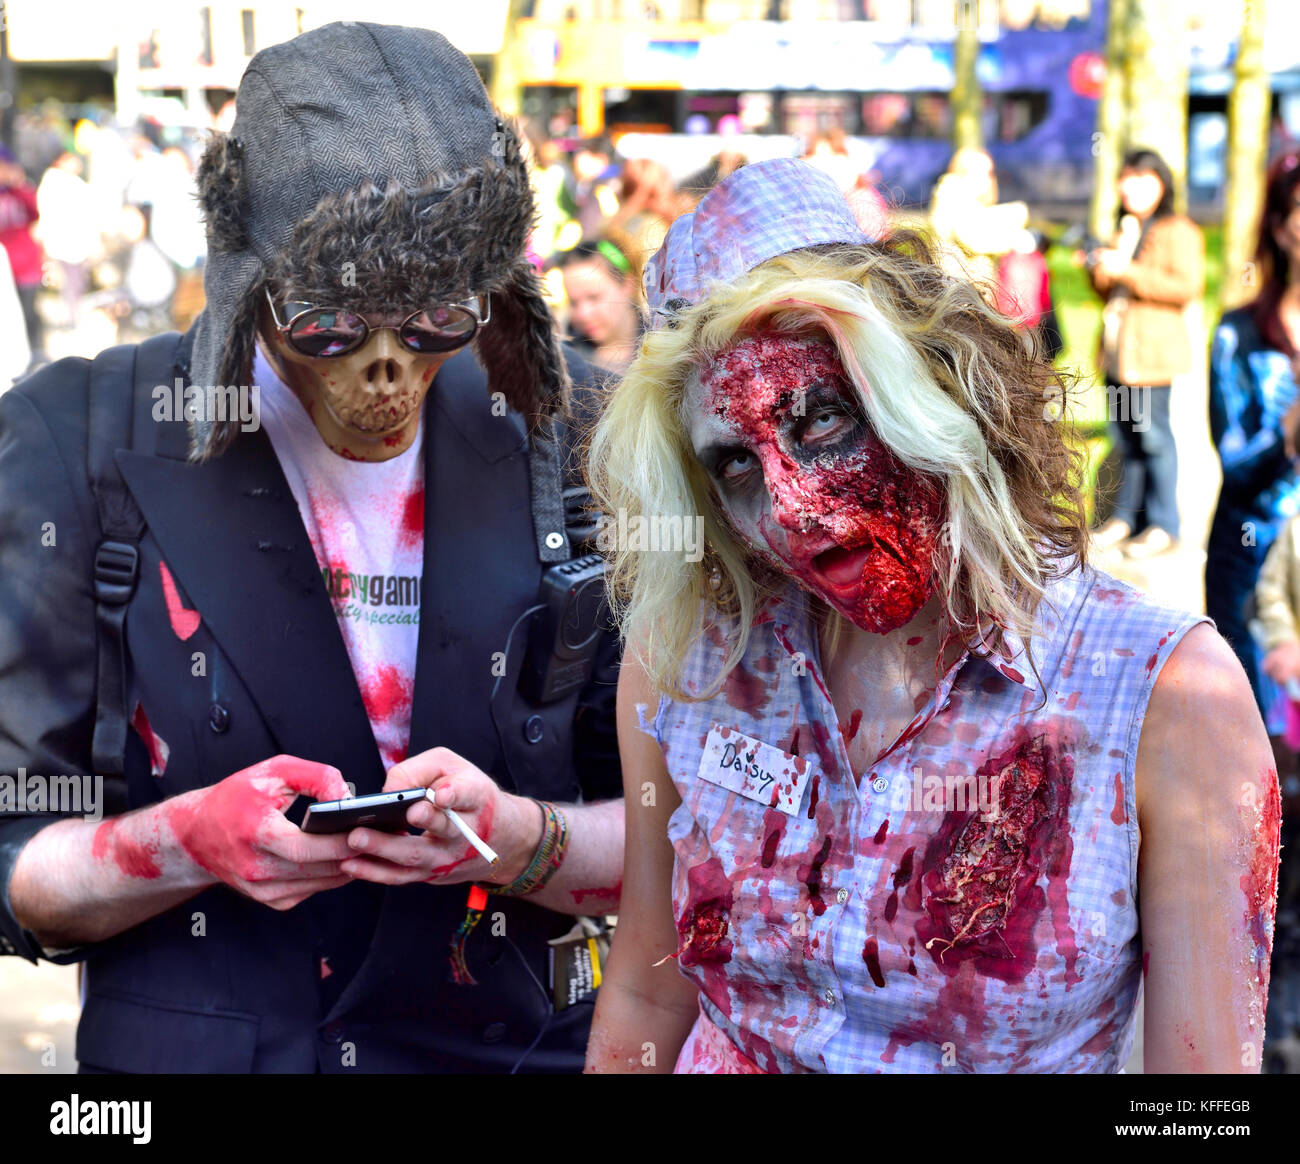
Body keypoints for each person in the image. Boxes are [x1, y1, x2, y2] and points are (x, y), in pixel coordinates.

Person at [0, 22, 623, 1074]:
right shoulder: (85, 434)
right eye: (329, 325)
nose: (386, 372)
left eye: (434, 318)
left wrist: (520, 839)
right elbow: (17, 857)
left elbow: (684, 831)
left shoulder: (572, 431)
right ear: (245, 280)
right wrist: (186, 843)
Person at [583, 158, 1279, 1073]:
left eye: (822, 421)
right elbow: (647, 985)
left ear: (935, 392)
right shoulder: (692, 661)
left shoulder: (1167, 694)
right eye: (737, 466)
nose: (790, 507)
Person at [1207, 149, 1300, 755]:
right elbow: (1234, 462)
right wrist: (1286, 434)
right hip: (1255, 549)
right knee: (1263, 750)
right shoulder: (1238, 335)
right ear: (1280, 225)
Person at [1088, 148, 1205, 559]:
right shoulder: (1125, 228)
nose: (1132, 187)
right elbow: (1109, 290)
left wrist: (1127, 271)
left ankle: (1163, 525)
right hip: (1119, 355)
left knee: (1154, 438)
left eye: (1143, 178)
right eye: (1127, 178)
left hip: (1151, 358)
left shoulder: (1178, 230)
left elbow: (1186, 287)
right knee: (1125, 437)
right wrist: (1098, 267)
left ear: (1162, 183)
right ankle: (1125, 519)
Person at [556, 239, 644, 377]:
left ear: (628, 285)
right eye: (573, 303)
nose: (583, 314)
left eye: (594, 297)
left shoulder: (665, 344)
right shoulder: (564, 362)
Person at [0, 146, 46, 369]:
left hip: (25, 265)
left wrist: (17, 184)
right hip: (4, 267)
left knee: (28, 312)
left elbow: (35, 212)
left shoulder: (19, 192)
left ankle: (35, 354)